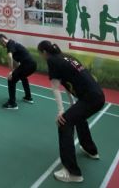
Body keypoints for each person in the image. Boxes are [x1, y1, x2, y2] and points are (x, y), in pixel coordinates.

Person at [37, 41, 105, 184]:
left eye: (40, 54)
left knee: (64, 123)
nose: (42, 57)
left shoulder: (52, 61)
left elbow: (55, 87)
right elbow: (68, 84)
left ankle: (72, 172)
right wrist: (72, 104)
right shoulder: (66, 57)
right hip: (97, 96)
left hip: (90, 99)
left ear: (44, 53)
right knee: (78, 117)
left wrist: (61, 112)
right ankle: (91, 150)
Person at [0, 34, 37, 109]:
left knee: (11, 79)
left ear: (3, 40)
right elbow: (17, 64)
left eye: (1, 43)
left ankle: (12, 103)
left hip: (28, 65)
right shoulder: (13, 45)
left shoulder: (10, 44)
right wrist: (15, 71)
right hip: (32, 65)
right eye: (0, 44)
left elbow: (9, 57)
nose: (2, 45)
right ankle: (28, 97)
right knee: (22, 76)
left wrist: (11, 72)